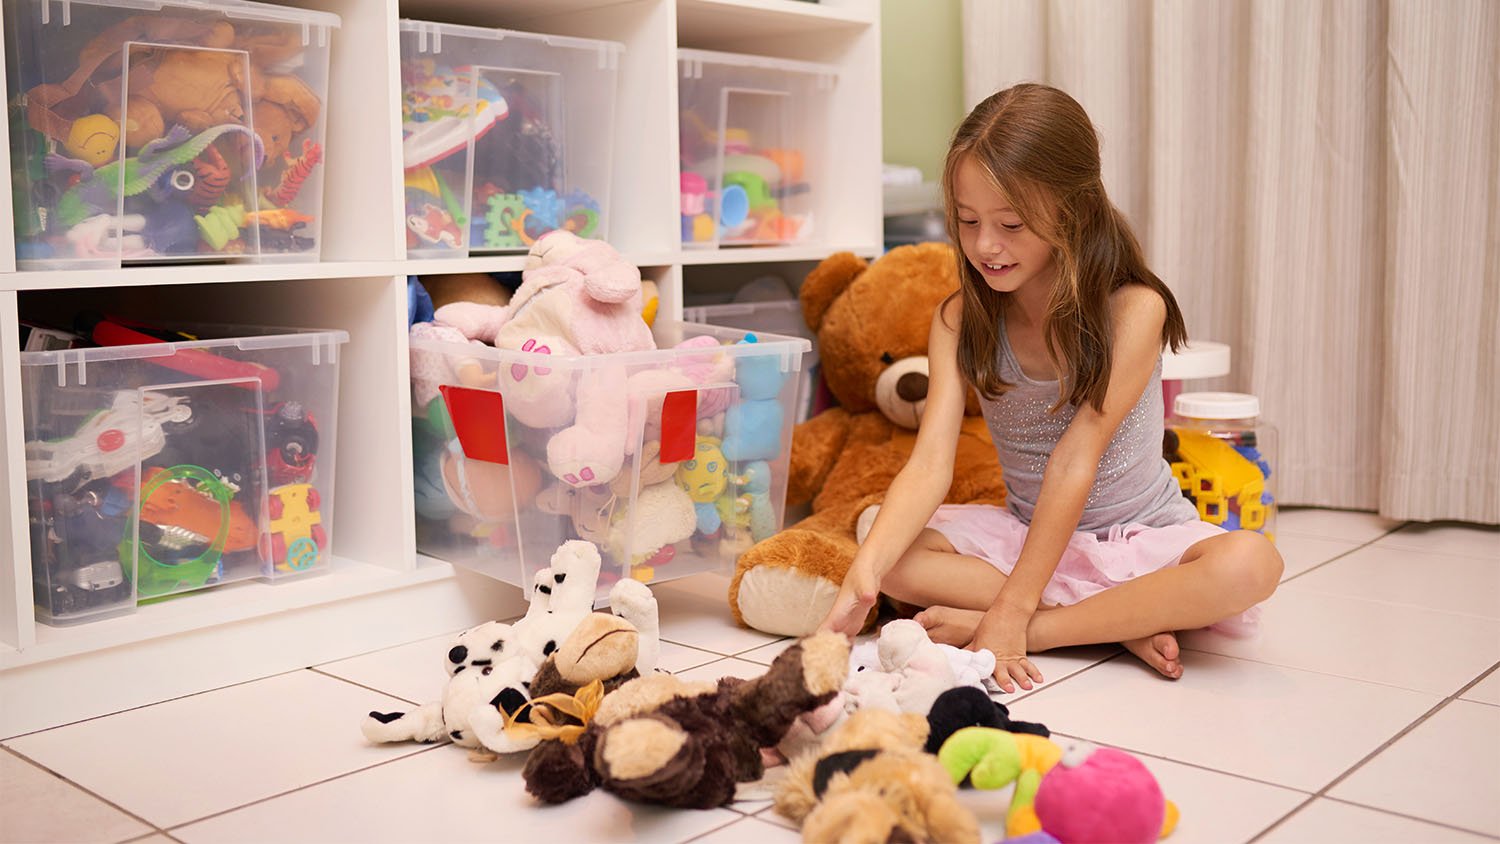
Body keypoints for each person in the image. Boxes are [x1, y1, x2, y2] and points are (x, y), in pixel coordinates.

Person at [817, 83, 1283, 692]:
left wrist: (1012, 619)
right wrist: (864, 576)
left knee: (1252, 562)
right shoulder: (958, 319)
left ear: (1074, 211)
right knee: (884, 540)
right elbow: (930, 464)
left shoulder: (1134, 310)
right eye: (967, 220)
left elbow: (1074, 462)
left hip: (1141, 540)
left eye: (1011, 224)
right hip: (1029, 538)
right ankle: (1117, 621)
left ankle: (1047, 626)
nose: (985, 245)